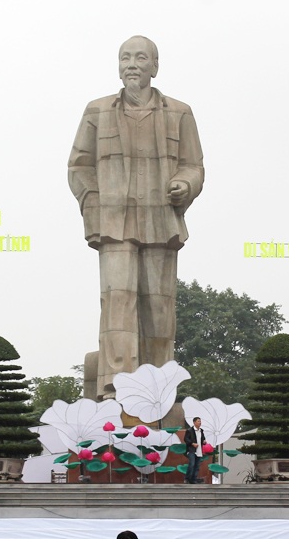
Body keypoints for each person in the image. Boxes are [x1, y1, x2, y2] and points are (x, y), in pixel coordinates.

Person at [68, 35, 205, 399]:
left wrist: (184, 184)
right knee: (118, 301)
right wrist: (94, 207)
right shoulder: (97, 110)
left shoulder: (179, 112)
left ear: (155, 67)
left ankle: (157, 388)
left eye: (141, 57)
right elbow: (79, 167)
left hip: (161, 219)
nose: (132, 64)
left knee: (159, 308)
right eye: (125, 57)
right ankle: (115, 385)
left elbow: (194, 165)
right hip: (114, 221)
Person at [183, 417, 206, 484]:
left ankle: (193, 479)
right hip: (191, 450)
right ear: (194, 422)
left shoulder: (201, 431)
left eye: (200, 421)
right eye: (198, 421)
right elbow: (186, 439)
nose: (200, 422)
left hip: (199, 450)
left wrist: (204, 441)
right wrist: (192, 444)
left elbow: (202, 439)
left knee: (197, 466)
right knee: (192, 464)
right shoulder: (189, 430)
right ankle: (187, 478)